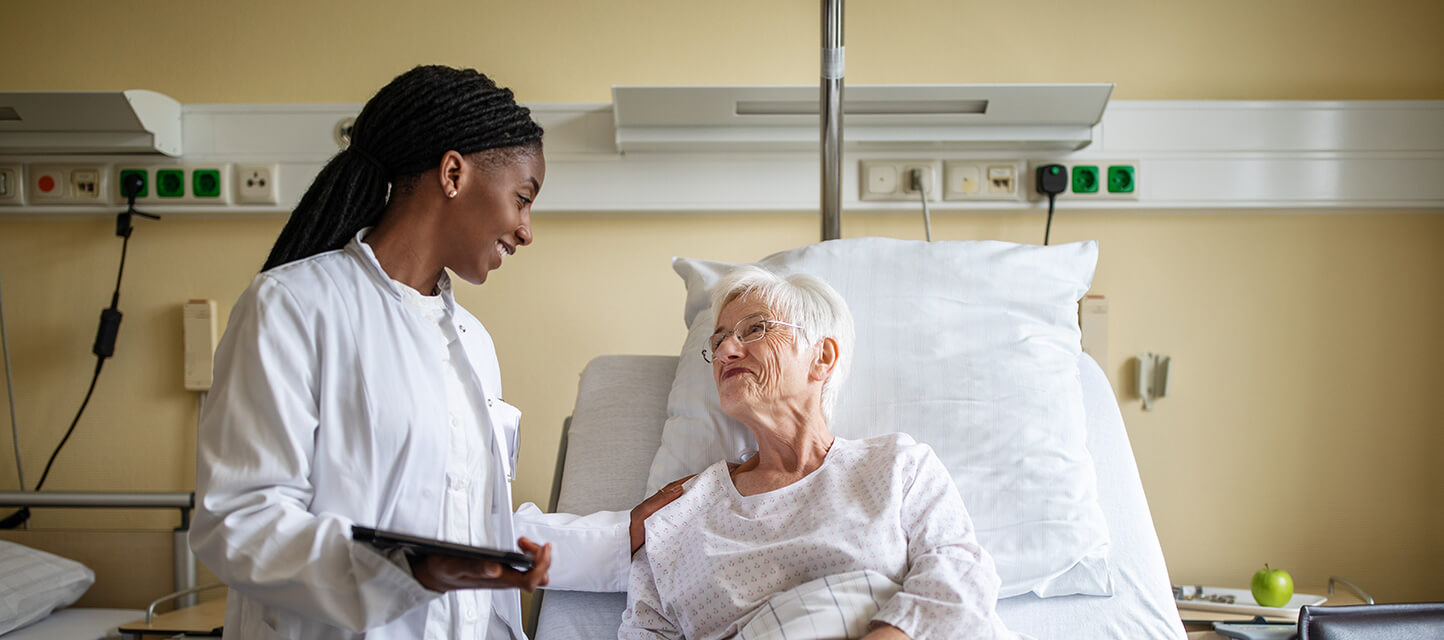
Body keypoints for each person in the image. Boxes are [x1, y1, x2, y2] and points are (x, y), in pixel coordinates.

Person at [190, 65, 685, 640]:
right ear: (454, 173)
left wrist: (624, 531)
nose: (527, 230)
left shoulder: (472, 342)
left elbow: (479, 528)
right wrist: (406, 567)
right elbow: (241, 523)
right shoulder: (293, 307)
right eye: (522, 199)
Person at [619, 266, 1018, 640]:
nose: (726, 351)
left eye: (754, 329)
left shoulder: (898, 467)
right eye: (718, 340)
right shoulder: (679, 514)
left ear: (822, 357)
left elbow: (961, 577)